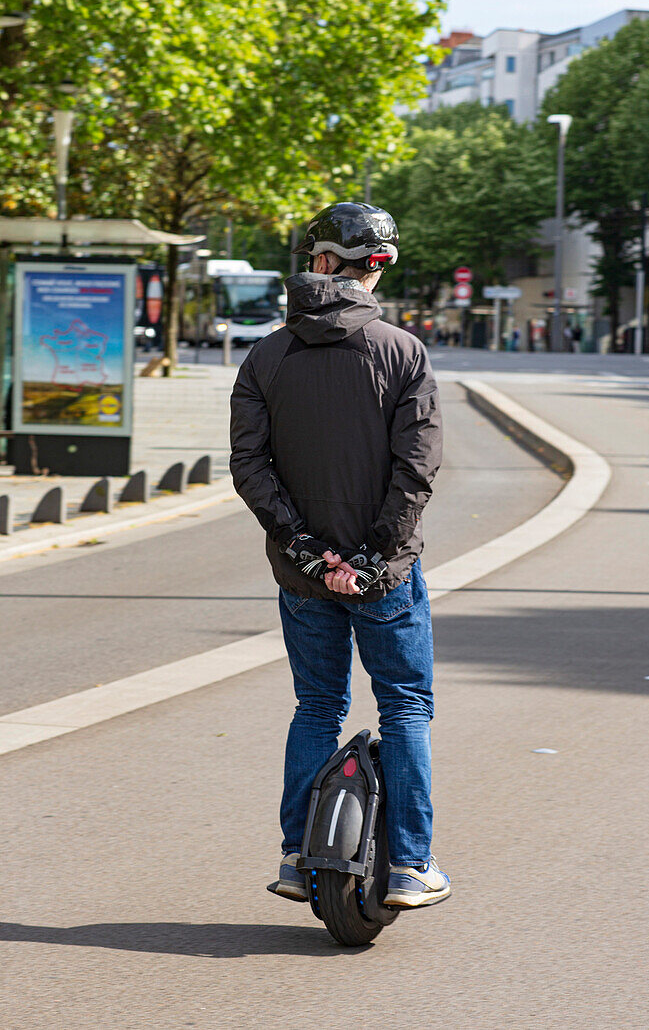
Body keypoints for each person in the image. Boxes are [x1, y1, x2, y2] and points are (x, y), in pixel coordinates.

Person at [230, 201, 450, 910]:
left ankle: (297, 856)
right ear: (370, 270)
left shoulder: (265, 356)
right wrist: (372, 556)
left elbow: (250, 466)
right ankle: (411, 866)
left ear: (321, 263)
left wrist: (307, 552)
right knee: (406, 707)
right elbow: (414, 469)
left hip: (302, 576)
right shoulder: (403, 352)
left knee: (317, 706)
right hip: (383, 576)